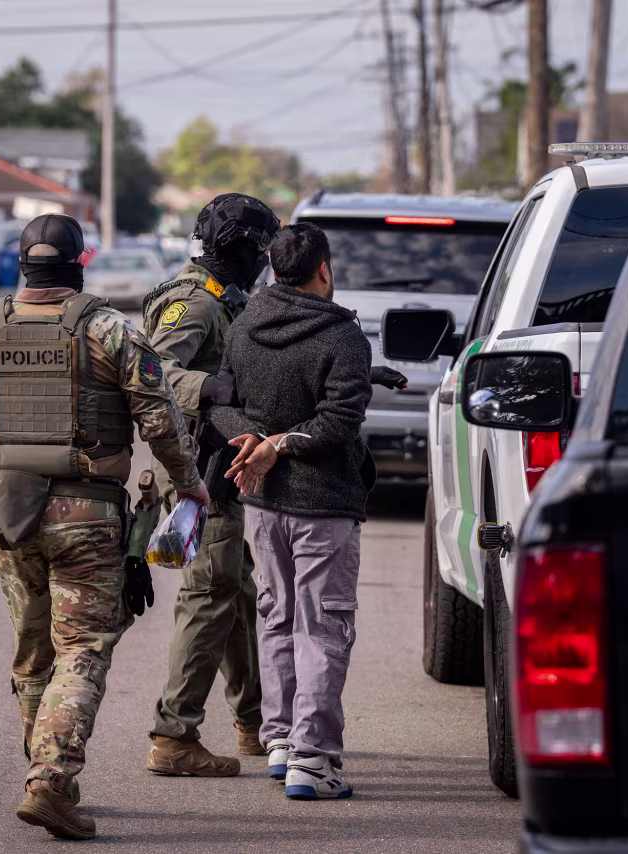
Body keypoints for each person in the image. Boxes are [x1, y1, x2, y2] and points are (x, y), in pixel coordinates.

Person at [0, 213, 209, 839]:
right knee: (81, 648)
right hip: (88, 514)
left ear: (22, 265)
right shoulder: (111, 330)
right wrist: (189, 482)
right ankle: (51, 780)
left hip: (9, 512)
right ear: (81, 264)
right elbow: (161, 419)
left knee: (34, 651)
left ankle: (44, 772)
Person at [206, 222, 377, 800]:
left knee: (278, 620)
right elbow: (337, 423)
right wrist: (275, 445)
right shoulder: (343, 335)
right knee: (323, 627)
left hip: (262, 503)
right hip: (323, 505)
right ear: (323, 270)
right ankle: (313, 760)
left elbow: (221, 404)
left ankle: (280, 741)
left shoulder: (245, 323)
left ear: (275, 271)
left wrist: (257, 442)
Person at [139, 193, 281, 777]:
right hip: (197, 474)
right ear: (239, 248)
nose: (265, 261)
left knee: (235, 592)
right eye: (261, 250)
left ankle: (254, 722)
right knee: (209, 597)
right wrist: (209, 389)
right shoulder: (195, 303)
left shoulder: (227, 298)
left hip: (219, 468)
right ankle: (174, 737)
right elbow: (150, 372)